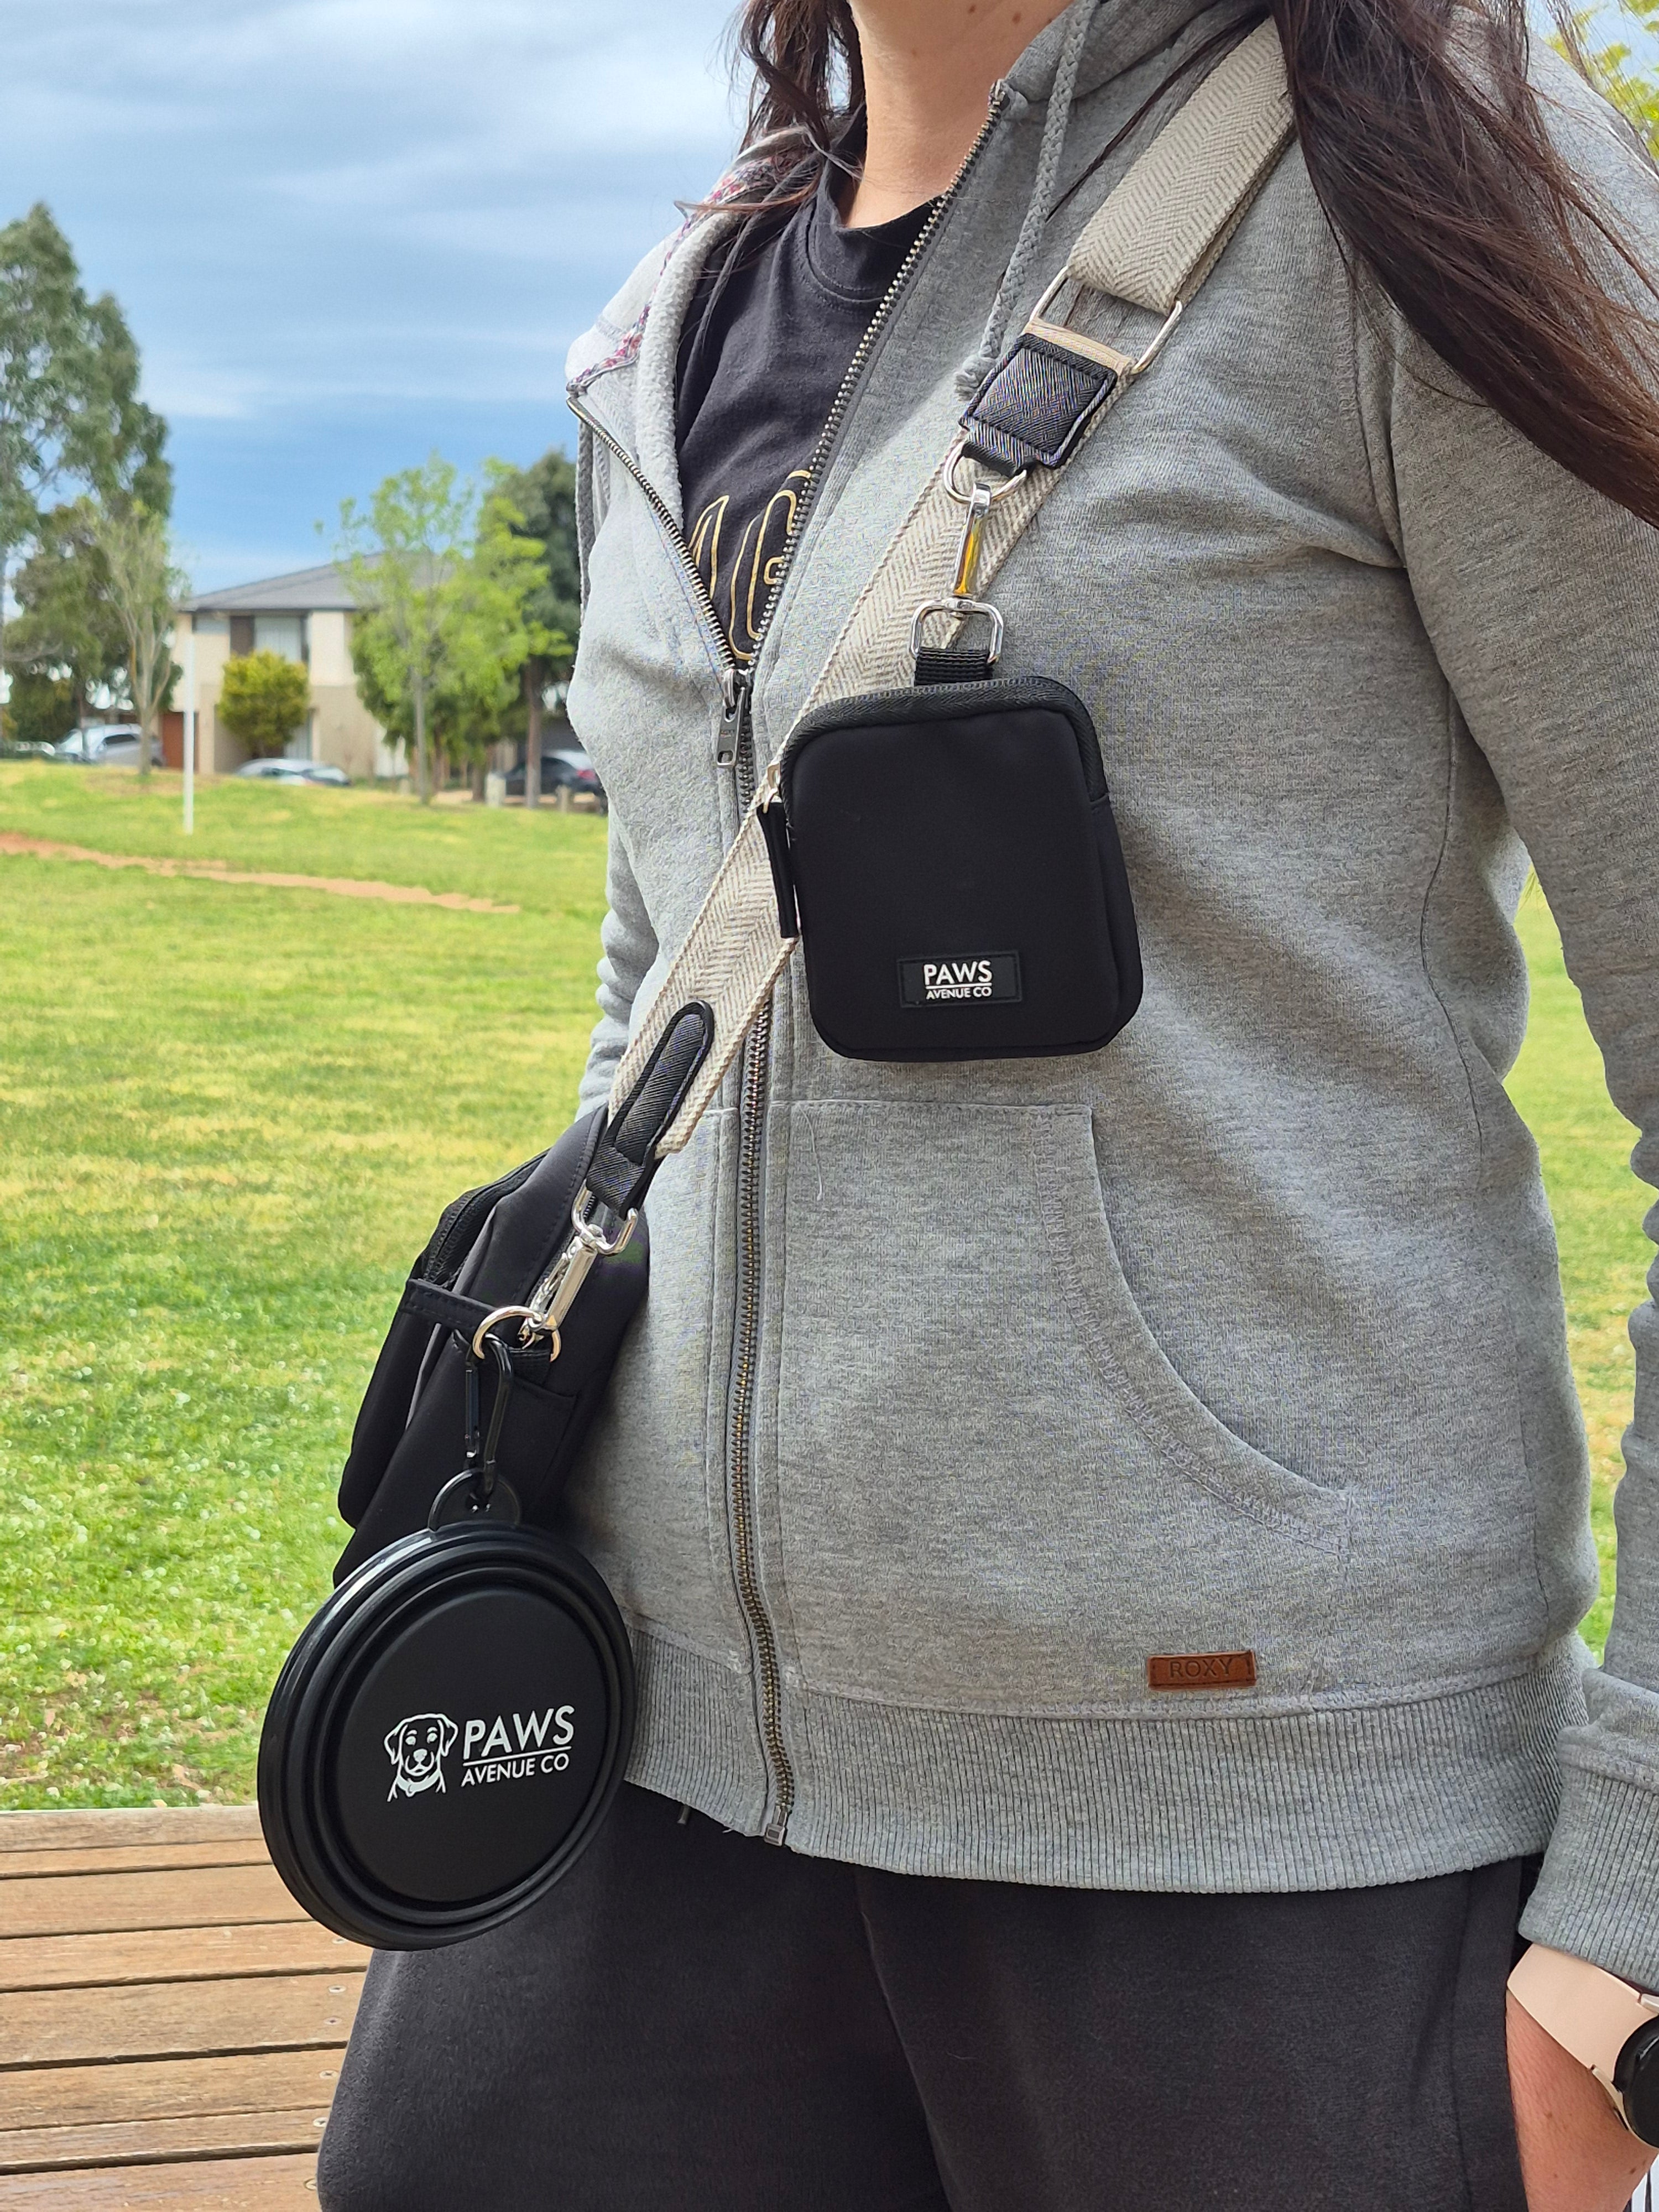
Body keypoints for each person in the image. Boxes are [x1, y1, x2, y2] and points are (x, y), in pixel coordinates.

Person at [317, 0, 1659, 2205]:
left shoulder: (1430, 187)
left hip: (1263, 1858)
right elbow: (663, 980)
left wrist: (1625, 1957)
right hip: (633, 1774)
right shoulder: (673, 322)